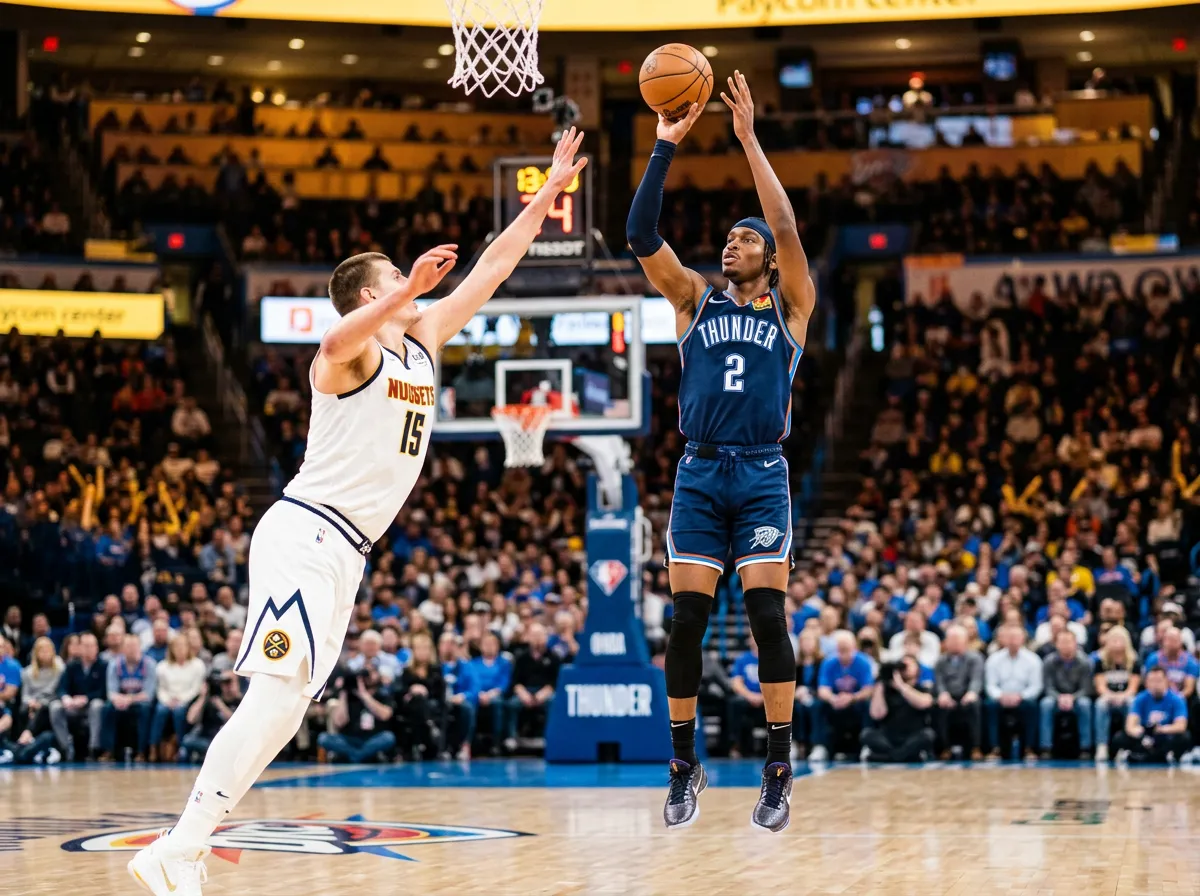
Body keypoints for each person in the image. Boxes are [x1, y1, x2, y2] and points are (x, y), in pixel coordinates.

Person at [129, 128, 588, 895]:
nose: (421, 289)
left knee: (285, 711)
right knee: (276, 697)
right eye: (397, 283)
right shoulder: (350, 354)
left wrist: (547, 194)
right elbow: (336, 333)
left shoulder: (425, 339)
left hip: (346, 552)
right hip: (304, 531)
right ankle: (181, 845)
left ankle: (186, 841)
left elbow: (495, 265)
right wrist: (408, 292)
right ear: (377, 294)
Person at [629, 71, 816, 833]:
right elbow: (642, 236)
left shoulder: (792, 307)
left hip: (762, 471)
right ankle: (683, 764)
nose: (733, 242)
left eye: (746, 239)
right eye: (731, 238)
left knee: (768, 613)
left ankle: (778, 767)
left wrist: (746, 139)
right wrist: (664, 151)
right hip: (701, 471)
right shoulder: (693, 300)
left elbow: (787, 223)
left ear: (768, 261)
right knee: (686, 623)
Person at [861, 655, 936, 763]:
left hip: (912, 736)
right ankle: (902, 756)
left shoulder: (922, 688)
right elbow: (876, 715)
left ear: (918, 670)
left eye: (908, 665)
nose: (904, 668)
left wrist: (901, 686)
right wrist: (880, 684)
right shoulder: (886, 690)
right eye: (901, 665)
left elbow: (924, 703)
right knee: (866, 734)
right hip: (888, 737)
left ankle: (889, 757)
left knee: (928, 735)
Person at [317, 662, 396, 763]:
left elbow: (385, 715)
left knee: (388, 737)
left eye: (371, 672)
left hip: (372, 738)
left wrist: (364, 695)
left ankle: (354, 755)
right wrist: (343, 692)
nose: (368, 676)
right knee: (323, 738)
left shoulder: (382, 693)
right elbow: (339, 722)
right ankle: (360, 755)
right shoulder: (348, 695)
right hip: (349, 739)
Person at [984, 623, 1042, 759]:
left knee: (1031, 706)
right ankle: (995, 748)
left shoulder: (1033, 660)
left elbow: (1036, 687)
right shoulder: (994, 659)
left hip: (1023, 699)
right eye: (1009, 637)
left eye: (1016, 637)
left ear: (1023, 639)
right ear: (1003, 639)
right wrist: (1000, 696)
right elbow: (990, 686)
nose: (1013, 641)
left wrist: (1020, 696)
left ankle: (1029, 749)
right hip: (1001, 699)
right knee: (989, 705)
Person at [816, 631, 875, 761]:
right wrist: (833, 698)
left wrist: (851, 698)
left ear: (854, 647)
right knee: (817, 706)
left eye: (846, 649)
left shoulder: (864, 662)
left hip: (856, 701)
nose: (843, 653)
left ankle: (867, 745)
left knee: (868, 705)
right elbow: (822, 689)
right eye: (840, 650)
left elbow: (868, 690)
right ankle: (820, 746)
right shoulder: (829, 662)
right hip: (836, 701)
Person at [1113, 666, 1191, 763]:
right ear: (1146, 683)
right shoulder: (1140, 698)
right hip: (1145, 735)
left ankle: (1167, 755)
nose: (1155, 684)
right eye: (1152, 681)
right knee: (1119, 738)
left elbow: (1181, 726)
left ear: (1166, 681)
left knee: (1184, 737)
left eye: (1159, 681)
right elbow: (1130, 725)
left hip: (1165, 734)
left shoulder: (1177, 699)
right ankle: (1147, 754)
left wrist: (1161, 729)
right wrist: (1139, 731)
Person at [49, 631, 107, 760]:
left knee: (97, 705)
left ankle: (93, 749)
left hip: (91, 706)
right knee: (55, 707)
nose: (89, 649)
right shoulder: (71, 666)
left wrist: (86, 699)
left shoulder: (103, 666)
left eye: (92, 646)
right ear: (80, 648)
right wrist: (66, 698)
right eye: (86, 646)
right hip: (73, 707)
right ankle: (66, 748)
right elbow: (61, 688)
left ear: (97, 647)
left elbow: (104, 692)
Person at [150, 634, 207, 758]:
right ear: (171, 649)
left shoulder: (197, 665)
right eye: (176, 646)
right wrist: (167, 700)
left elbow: (196, 688)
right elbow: (161, 688)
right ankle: (154, 746)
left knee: (179, 712)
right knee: (160, 711)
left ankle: (182, 747)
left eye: (183, 646)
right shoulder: (162, 666)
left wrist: (181, 699)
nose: (180, 649)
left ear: (188, 648)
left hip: (187, 700)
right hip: (167, 700)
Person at [1039, 629, 1094, 758]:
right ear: (1056, 644)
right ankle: (1045, 747)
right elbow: (1048, 687)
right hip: (1055, 698)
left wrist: (1072, 698)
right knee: (1046, 704)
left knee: (1085, 704)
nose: (1066, 645)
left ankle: (1085, 747)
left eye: (1069, 642)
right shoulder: (1048, 662)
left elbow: (1086, 688)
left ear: (1076, 643)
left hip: (1077, 698)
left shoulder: (1085, 662)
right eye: (1062, 642)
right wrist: (1059, 697)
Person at [504, 622, 558, 752]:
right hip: (525, 691)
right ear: (529, 637)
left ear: (546, 637)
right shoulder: (521, 657)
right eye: (534, 635)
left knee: (554, 702)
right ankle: (511, 738)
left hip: (545, 692)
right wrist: (523, 694)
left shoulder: (553, 657)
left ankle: (549, 737)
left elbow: (555, 681)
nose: (537, 638)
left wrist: (543, 694)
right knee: (512, 704)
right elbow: (515, 681)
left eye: (540, 635)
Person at [102, 633, 157, 761]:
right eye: (128, 646)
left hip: (139, 702)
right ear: (122, 648)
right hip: (121, 702)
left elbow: (148, 694)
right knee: (108, 707)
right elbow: (111, 692)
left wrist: (129, 699)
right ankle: (108, 750)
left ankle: (141, 752)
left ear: (140, 647)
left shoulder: (149, 664)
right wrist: (119, 699)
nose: (131, 649)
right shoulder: (115, 664)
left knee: (144, 709)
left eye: (134, 646)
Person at [933, 624, 984, 759]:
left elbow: (976, 679)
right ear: (946, 642)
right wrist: (943, 694)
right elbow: (939, 682)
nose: (955, 643)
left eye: (958, 640)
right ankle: (945, 748)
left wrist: (972, 692)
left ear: (966, 642)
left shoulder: (975, 658)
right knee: (939, 706)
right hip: (948, 695)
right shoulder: (941, 661)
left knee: (974, 706)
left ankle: (975, 747)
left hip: (967, 694)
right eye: (952, 639)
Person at [1091, 626, 1141, 762]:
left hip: (1126, 696)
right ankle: (1102, 745)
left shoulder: (1134, 661)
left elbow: (1133, 687)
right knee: (1100, 704)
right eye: (1113, 639)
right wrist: (1111, 696)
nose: (1116, 642)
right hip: (1108, 697)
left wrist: (1122, 696)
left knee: (1132, 702)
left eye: (1120, 639)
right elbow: (1100, 687)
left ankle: (1125, 746)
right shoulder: (1100, 661)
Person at [395, 632, 445, 760]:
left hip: (431, 705)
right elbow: (399, 692)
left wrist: (425, 691)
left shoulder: (436, 670)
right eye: (419, 648)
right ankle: (429, 728)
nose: (422, 652)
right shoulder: (407, 671)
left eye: (425, 648)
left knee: (422, 702)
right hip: (411, 706)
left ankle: (417, 743)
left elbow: (441, 693)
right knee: (417, 701)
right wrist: (412, 690)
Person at [178, 673, 242, 763]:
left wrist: (220, 705)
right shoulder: (208, 699)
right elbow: (191, 719)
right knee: (188, 741)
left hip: (229, 740)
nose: (225, 686)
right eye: (223, 682)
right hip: (209, 739)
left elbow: (237, 723)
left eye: (229, 682)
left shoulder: (239, 701)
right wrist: (202, 696)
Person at [21, 635, 64, 739]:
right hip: (33, 703)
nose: (45, 654)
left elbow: (53, 690)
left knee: (44, 707)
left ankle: (28, 734)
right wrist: (31, 703)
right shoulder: (27, 672)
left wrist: (38, 702)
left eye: (47, 650)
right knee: (23, 711)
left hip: (51, 699)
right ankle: (28, 738)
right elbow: (25, 696)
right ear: (36, 653)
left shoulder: (60, 667)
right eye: (42, 651)